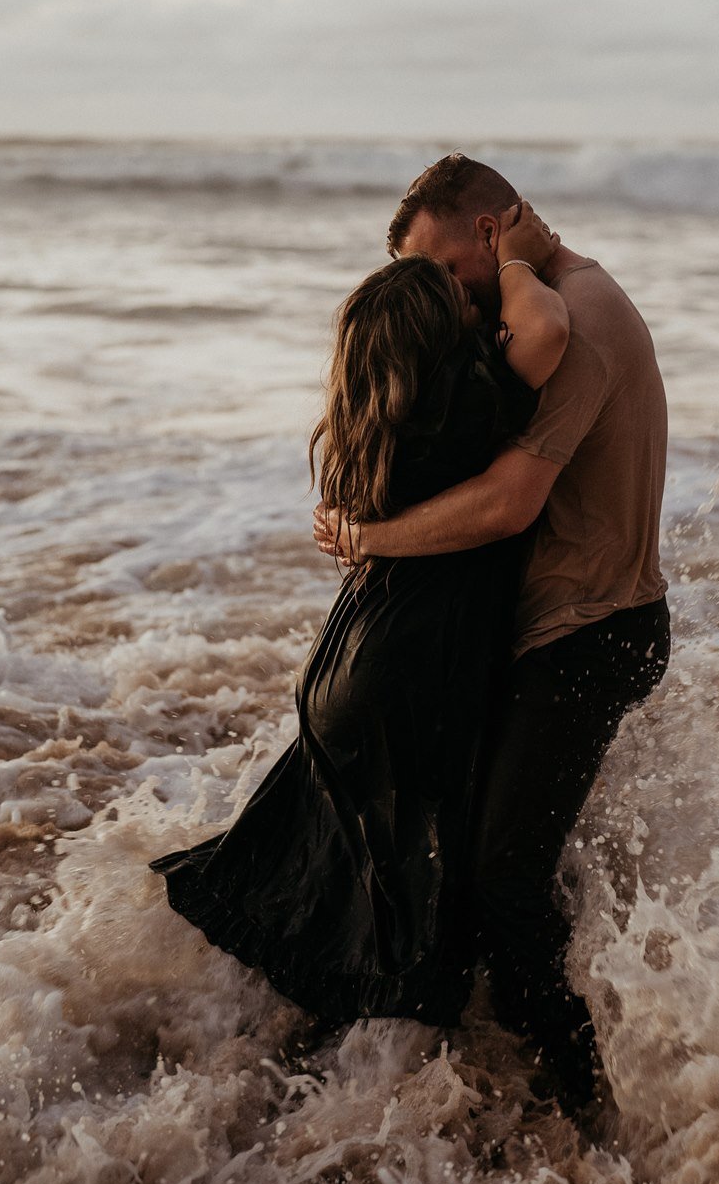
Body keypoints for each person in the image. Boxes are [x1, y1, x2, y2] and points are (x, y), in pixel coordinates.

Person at [150, 206, 570, 1026]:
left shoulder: (373, 424)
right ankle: (412, 1081)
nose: (474, 306)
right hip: (411, 664)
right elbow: (548, 330)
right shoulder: (463, 405)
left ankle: (270, 1051)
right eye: (456, 303)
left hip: (349, 658)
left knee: (335, 882)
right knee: (416, 913)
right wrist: (516, 260)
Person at [315, 155, 670, 1108]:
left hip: (586, 636)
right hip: (565, 630)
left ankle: (584, 1107)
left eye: (444, 270)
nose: (442, 298)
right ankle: (492, 1081)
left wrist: (369, 538)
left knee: (502, 884)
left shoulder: (574, 321)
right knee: (485, 867)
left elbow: (509, 505)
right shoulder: (544, 302)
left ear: (492, 232)